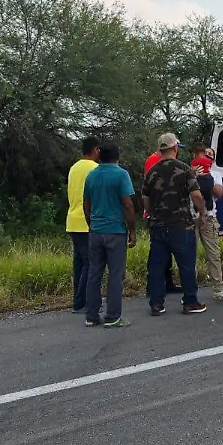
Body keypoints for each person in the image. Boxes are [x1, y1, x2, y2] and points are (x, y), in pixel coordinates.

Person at [142, 133, 208, 315]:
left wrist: (153, 213)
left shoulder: (151, 172)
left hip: (158, 226)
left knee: (156, 266)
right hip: (181, 225)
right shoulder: (184, 169)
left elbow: (145, 200)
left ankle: (156, 304)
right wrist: (202, 214)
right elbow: (196, 195)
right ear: (175, 148)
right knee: (186, 265)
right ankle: (190, 302)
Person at [83, 141, 136, 328]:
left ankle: (91, 315)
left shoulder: (91, 175)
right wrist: (132, 230)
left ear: (100, 156)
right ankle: (113, 316)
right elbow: (127, 204)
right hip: (115, 231)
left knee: (94, 273)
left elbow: (86, 204)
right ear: (117, 156)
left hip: (96, 231)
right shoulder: (121, 175)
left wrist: (92, 224)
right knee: (115, 274)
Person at [191, 143, 223, 303]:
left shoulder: (216, 174)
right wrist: (193, 174)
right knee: (190, 255)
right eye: (205, 154)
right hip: (191, 216)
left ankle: (219, 289)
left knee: (214, 254)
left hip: (209, 217)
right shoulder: (189, 170)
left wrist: (207, 178)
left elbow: (219, 193)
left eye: (210, 155)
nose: (207, 156)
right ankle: (190, 292)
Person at [66, 137, 100, 314]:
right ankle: (81, 302)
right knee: (91, 263)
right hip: (86, 221)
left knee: (79, 263)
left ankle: (77, 299)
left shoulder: (74, 168)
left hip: (72, 219)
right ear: (95, 150)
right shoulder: (95, 168)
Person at [144, 149, 180, 293]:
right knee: (157, 252)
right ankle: (153, 287)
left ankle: (168, 283)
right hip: (159, 214)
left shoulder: (156, 161)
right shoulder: (154, 161)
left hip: (162, 213)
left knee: (165, 251)